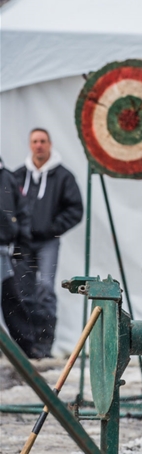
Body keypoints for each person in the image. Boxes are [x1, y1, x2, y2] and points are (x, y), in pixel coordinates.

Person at [14, 129, 83, 359]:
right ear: (30, 144)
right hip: (22, 244)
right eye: (35, 141)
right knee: (22, 292)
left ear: (50, 144)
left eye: (42, 141)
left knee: (45, 288)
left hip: (47, 243)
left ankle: (44, 344)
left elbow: (75, 209)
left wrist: (52, 228)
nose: (39, 145)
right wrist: (15, 229)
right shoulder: (18, 176)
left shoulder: (63, 177)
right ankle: (27, 345)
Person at [0, 156, 35, 355]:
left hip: (4, 251)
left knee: (11, 299)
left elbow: (22, 212)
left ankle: (27, 348)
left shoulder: (8, 178)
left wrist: (22, 244)